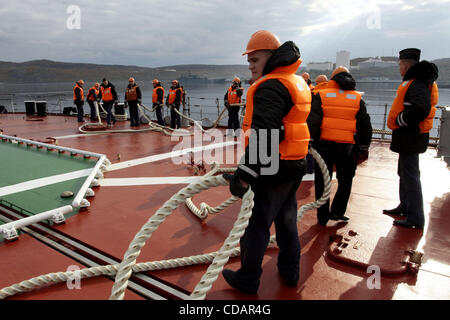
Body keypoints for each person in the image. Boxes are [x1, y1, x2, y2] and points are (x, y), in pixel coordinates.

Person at [221, 30, 311, 294]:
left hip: (274, 168)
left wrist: (244, 176)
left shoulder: (270, 86)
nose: (250, 65)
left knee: (257, 225)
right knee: (286, 221)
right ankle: (291, 270)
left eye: (255, 59)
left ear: (271, 58)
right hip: (295, 163)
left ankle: (248, 280)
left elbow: (264, 134)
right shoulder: (295, 81)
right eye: (248, 60)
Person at [307, 66, 372, 226]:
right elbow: (365, 126)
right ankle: (338, 212)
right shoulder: (357, 99)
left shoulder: (320, 95)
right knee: (346, 180)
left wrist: (310, 141)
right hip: (347, 147)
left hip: (323, 146)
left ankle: (322, 217)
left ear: (332, 80)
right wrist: (362, 147)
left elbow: (313, 122)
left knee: (323, 180)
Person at [383, 48, 439, 229]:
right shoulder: (416, 82)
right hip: (408, 138)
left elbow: (420, 108)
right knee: (404, 173)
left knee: (411, 176)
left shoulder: (417, 84)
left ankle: (415, 218)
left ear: (406, 65)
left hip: (411, 137)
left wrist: (400, 120)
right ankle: (405, 206)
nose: (399, 68)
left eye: (400, 64)